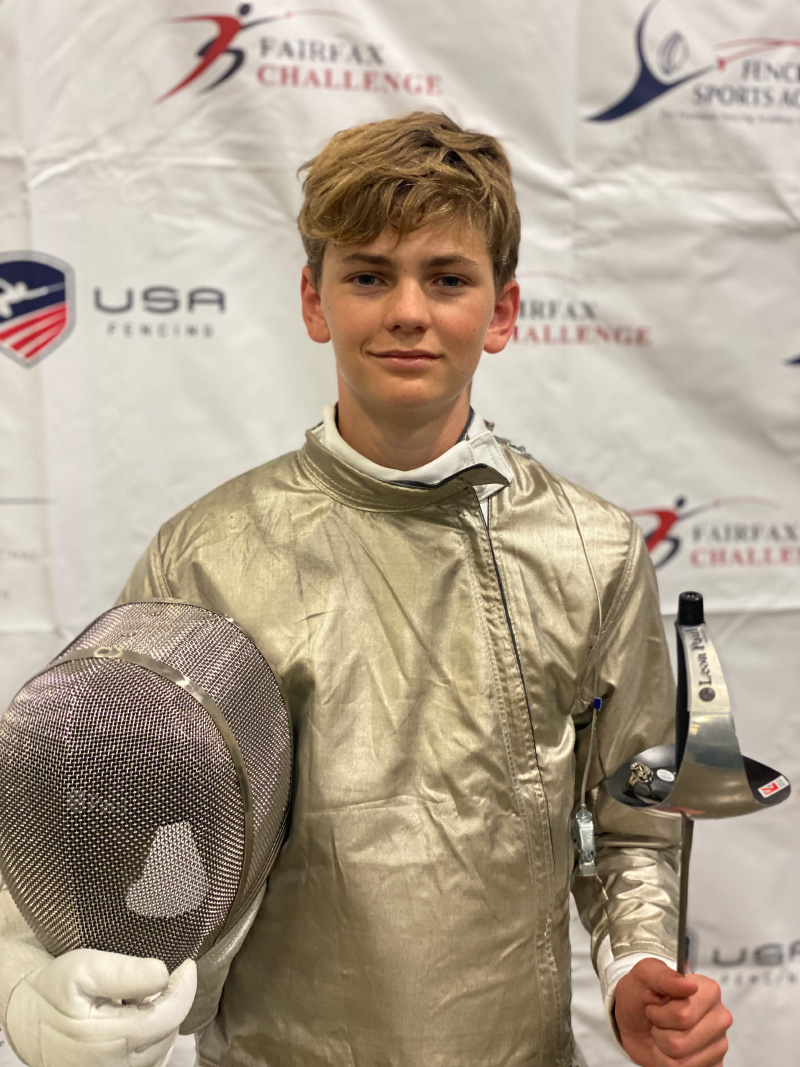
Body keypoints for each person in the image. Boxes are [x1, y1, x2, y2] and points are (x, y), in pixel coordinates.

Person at [0, 111, 732, 1067]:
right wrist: (34, 981)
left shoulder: (591, 550)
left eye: (448, 278)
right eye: (370, 275)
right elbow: (96, 810)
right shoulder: (207, 554)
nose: (408, 311)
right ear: (315, 301)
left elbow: (634, 820)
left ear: (503, 312)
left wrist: (637, 968)